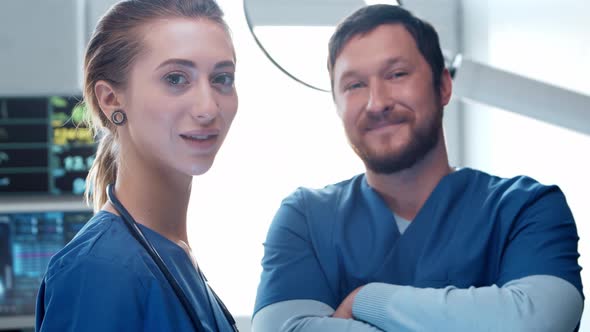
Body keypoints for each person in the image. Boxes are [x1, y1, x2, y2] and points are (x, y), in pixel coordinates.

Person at [253, 4, 584, 332]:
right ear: (337, 105)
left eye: (397, 75)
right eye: (355, 85)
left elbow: (533, 323)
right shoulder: (305, 220)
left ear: (443, 86)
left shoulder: (526, 209)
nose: (377, 102)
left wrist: (366, 299)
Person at [35, 0, 239, 331]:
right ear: (111, 99)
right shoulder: (99, 270)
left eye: (222, 78)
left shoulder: (173, 251)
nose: (208, 107)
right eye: (175, 78)